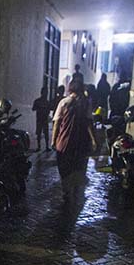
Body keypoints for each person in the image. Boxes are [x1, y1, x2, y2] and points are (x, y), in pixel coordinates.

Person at [52, 76, 96, 209]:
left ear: (70, 89)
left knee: (64, 167)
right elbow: (89, 123)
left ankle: (67, 191)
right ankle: (76, 190)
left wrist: (53, 140)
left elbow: (57, 123)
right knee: (78, 166)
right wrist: (93, 139)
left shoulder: (64, 102)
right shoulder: (86, 104)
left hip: (64, 141)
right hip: (81, 142)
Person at [31, 86, 50, 151]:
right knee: (39, 133)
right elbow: (33, 108)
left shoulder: (46, 102)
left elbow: (48, 110)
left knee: (45, 133)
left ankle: (46, 146)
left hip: (44, 119)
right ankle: (39, 146)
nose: (46, 94)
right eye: (45, 92)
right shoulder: (38, 101)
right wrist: (40, 108)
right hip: (40, 119)